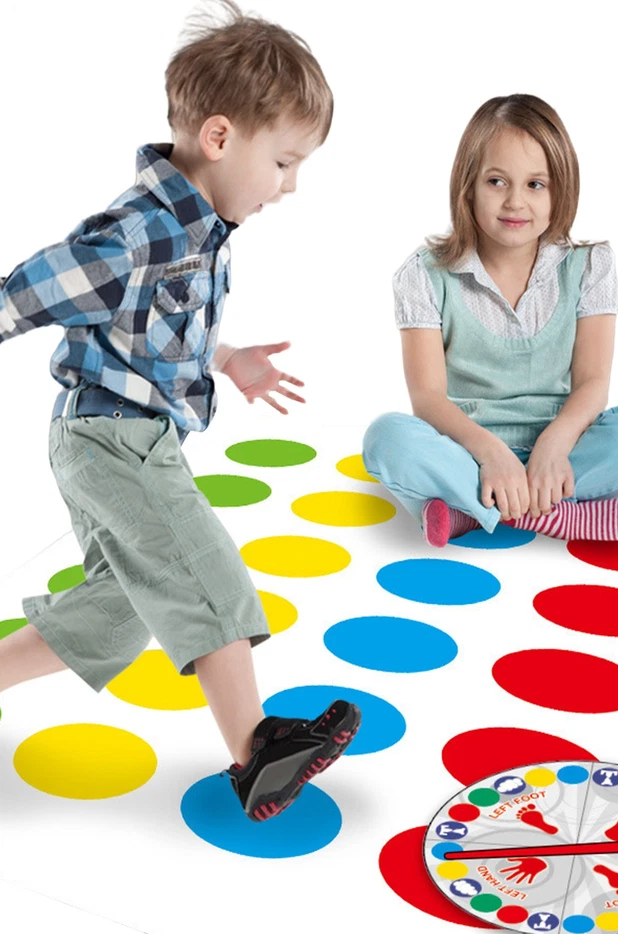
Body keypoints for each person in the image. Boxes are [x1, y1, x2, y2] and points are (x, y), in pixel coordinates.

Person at [0, 0, 359, 822]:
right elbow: (27, 290)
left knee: (123, 608)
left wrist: (228, 359)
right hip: (110, 439)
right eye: (285, 162)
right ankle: (258, 750)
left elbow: (159, 330)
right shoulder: (136, 230)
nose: (291, 185)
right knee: (204, 572)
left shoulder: (196, 231)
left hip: (122, 435)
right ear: (222, 137)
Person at [362, 94, 618, 547]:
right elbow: (427, 398)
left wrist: (553, 446)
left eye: (535, 185)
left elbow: (592, 383)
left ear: (560, 190)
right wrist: (490, 454)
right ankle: (565, 517)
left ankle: (470, 512)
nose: (515, 202)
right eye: (497, 181)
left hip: (562, 451)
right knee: (386, 439)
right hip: (466, 451)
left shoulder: (589, 265)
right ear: (468, 186)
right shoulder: (425, 275)